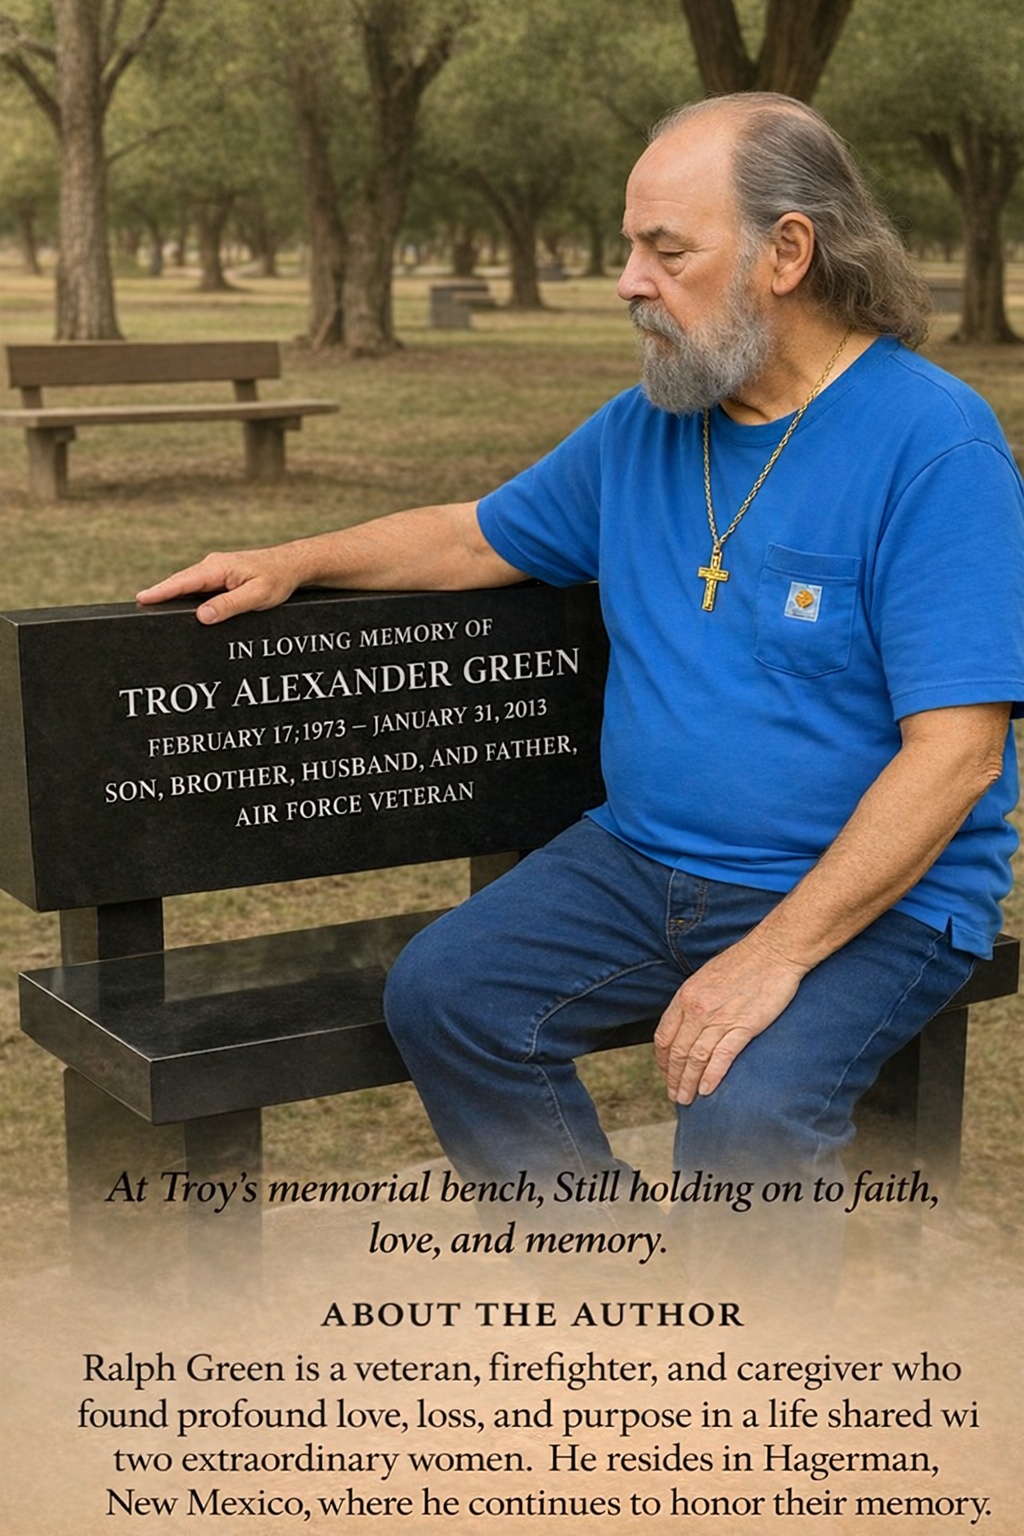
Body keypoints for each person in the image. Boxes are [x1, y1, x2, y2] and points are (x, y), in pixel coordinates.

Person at [138, 95, 1024, 1248]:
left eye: (666, 250)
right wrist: (295, 560)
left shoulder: (934, 445)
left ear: (787, 252)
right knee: (448, 995)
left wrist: (772, 956)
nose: (626, 282)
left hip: (874, 896)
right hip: (643, 862)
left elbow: (957, 756)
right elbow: (474, 538)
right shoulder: (644, 427)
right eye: (627, 246)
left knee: (746, 1118)